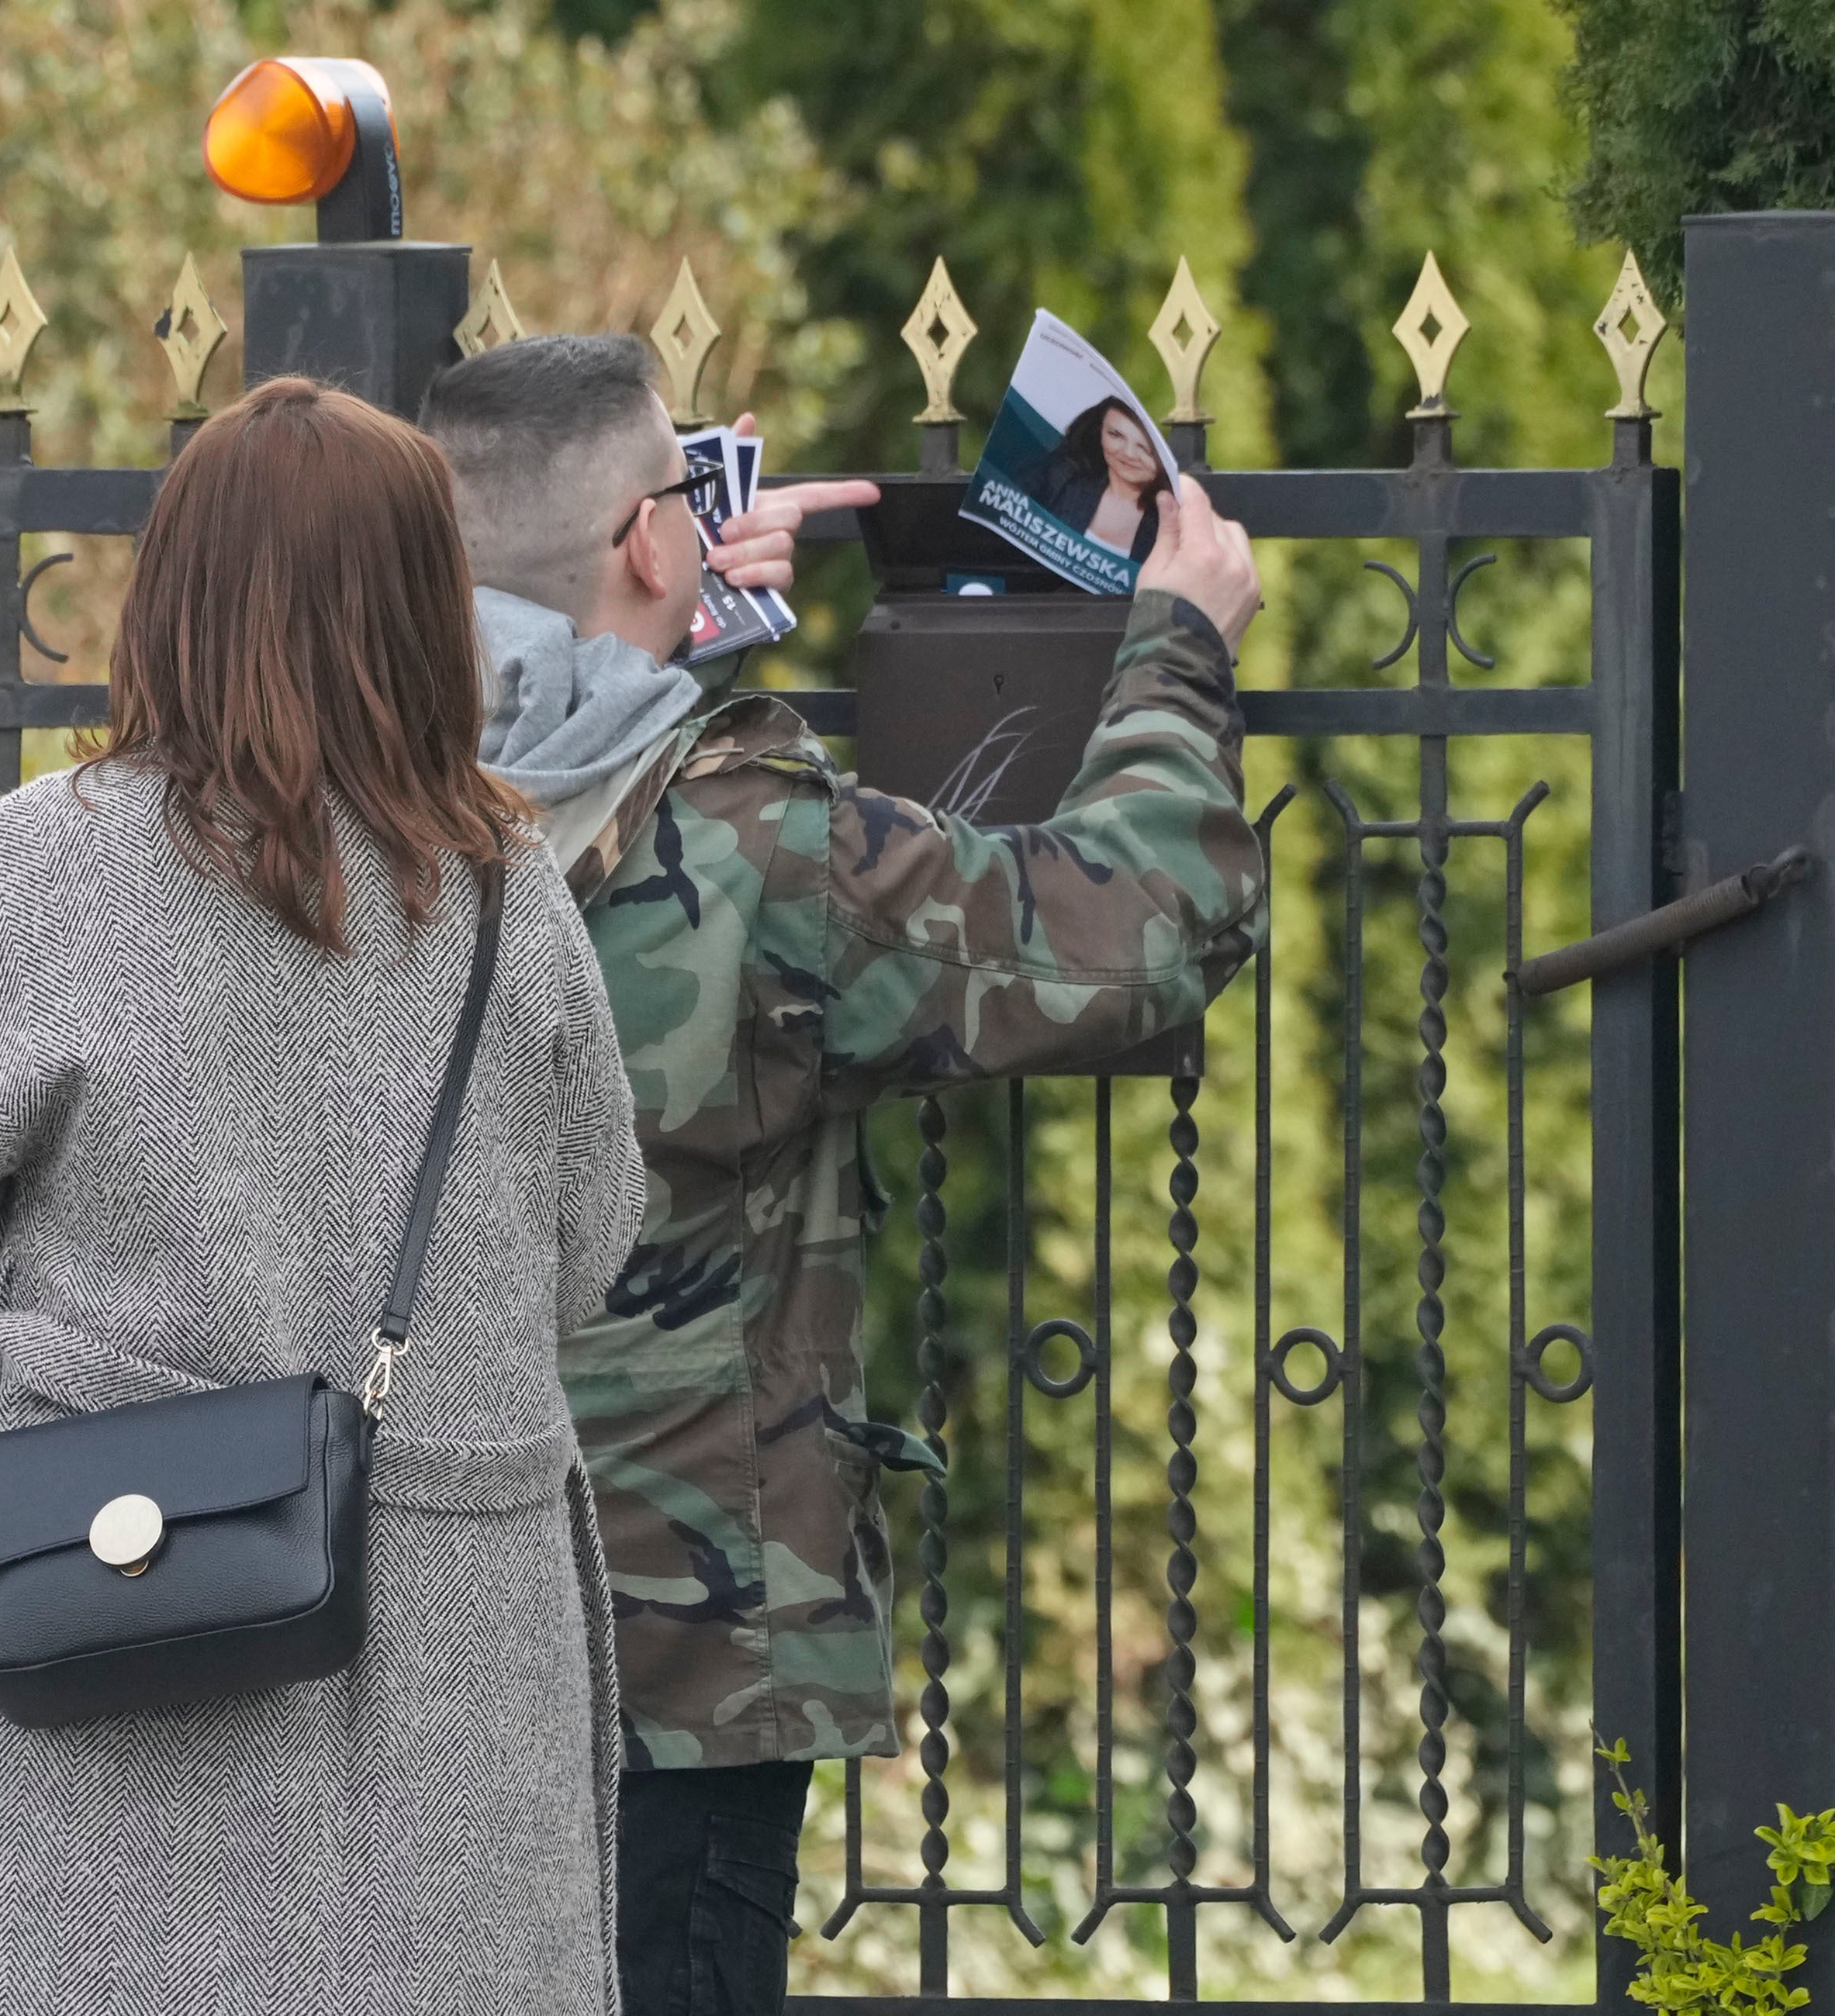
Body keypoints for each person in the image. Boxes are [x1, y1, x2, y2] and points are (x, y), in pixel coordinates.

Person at [420, 335, 1265, 2016]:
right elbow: (1132, 935)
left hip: (390, 1631)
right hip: (672, 1649)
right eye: (675, 495)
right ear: (654, 543)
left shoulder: (330, 811)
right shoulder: (753, 849)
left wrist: (670, 641)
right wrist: (1178, 642)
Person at [0, 378, 646, 2016]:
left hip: (112, 1633)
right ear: (428, 609)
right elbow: (590, 1250)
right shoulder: (507, 895)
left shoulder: (59, 865)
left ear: (174, 592)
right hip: (463, 1664)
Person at [1017, 394, 1170, 561]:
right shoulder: (1060, 485)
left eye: (1146, 448)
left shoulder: (1169, 520)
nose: (1129, 454)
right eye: (1116, 435)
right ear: (1100, 433)